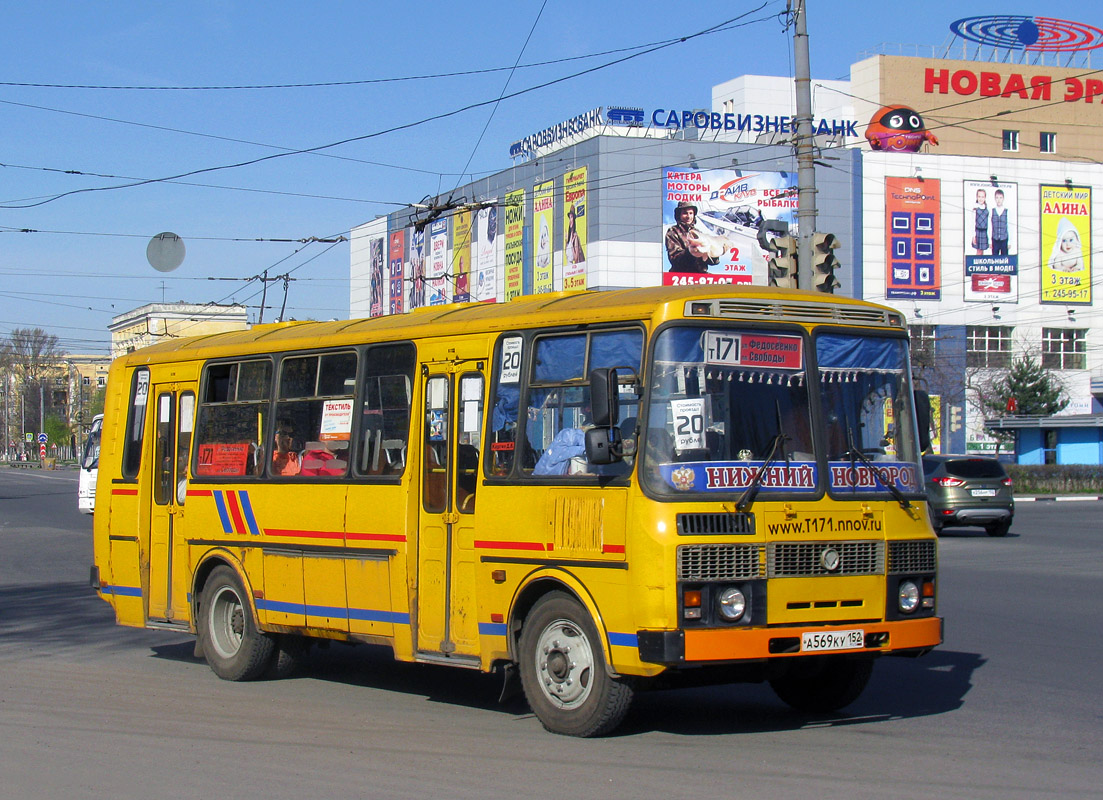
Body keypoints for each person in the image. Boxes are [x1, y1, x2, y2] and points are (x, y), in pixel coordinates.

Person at [665, 201, 720, 273]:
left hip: (700, 275)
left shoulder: (699, 233)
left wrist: (716, 253)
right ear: (679, 215)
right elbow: (675, 260)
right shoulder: (673, 232)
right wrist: (691, 250)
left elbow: (712, 262)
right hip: (681, 275)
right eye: (685, 213)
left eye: (691, 213)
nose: (688, 216)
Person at [990, 189, 1010, 256]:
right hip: (995, 239)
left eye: (1000, 198)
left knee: (1004, 259)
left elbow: (1010, 227)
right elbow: (990, 227)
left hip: (1004, 239)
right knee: (994, 259)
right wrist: (990, 242)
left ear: (1003, 199)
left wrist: (1010, 242)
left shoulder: (1007, 211)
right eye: (997, 198)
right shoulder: (992, 211)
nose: (999, 200)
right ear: (995, 199)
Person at [972, 188, 989, 255]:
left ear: (985, 198)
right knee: (979, 251)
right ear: (977, 197)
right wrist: (974, 236)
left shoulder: (987, 208)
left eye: (982, 197)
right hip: (978, 231)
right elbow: (973, 222)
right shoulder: (975, 208)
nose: (981, 199)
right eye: (979, 196)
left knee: (983, 251)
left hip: (984, 232)